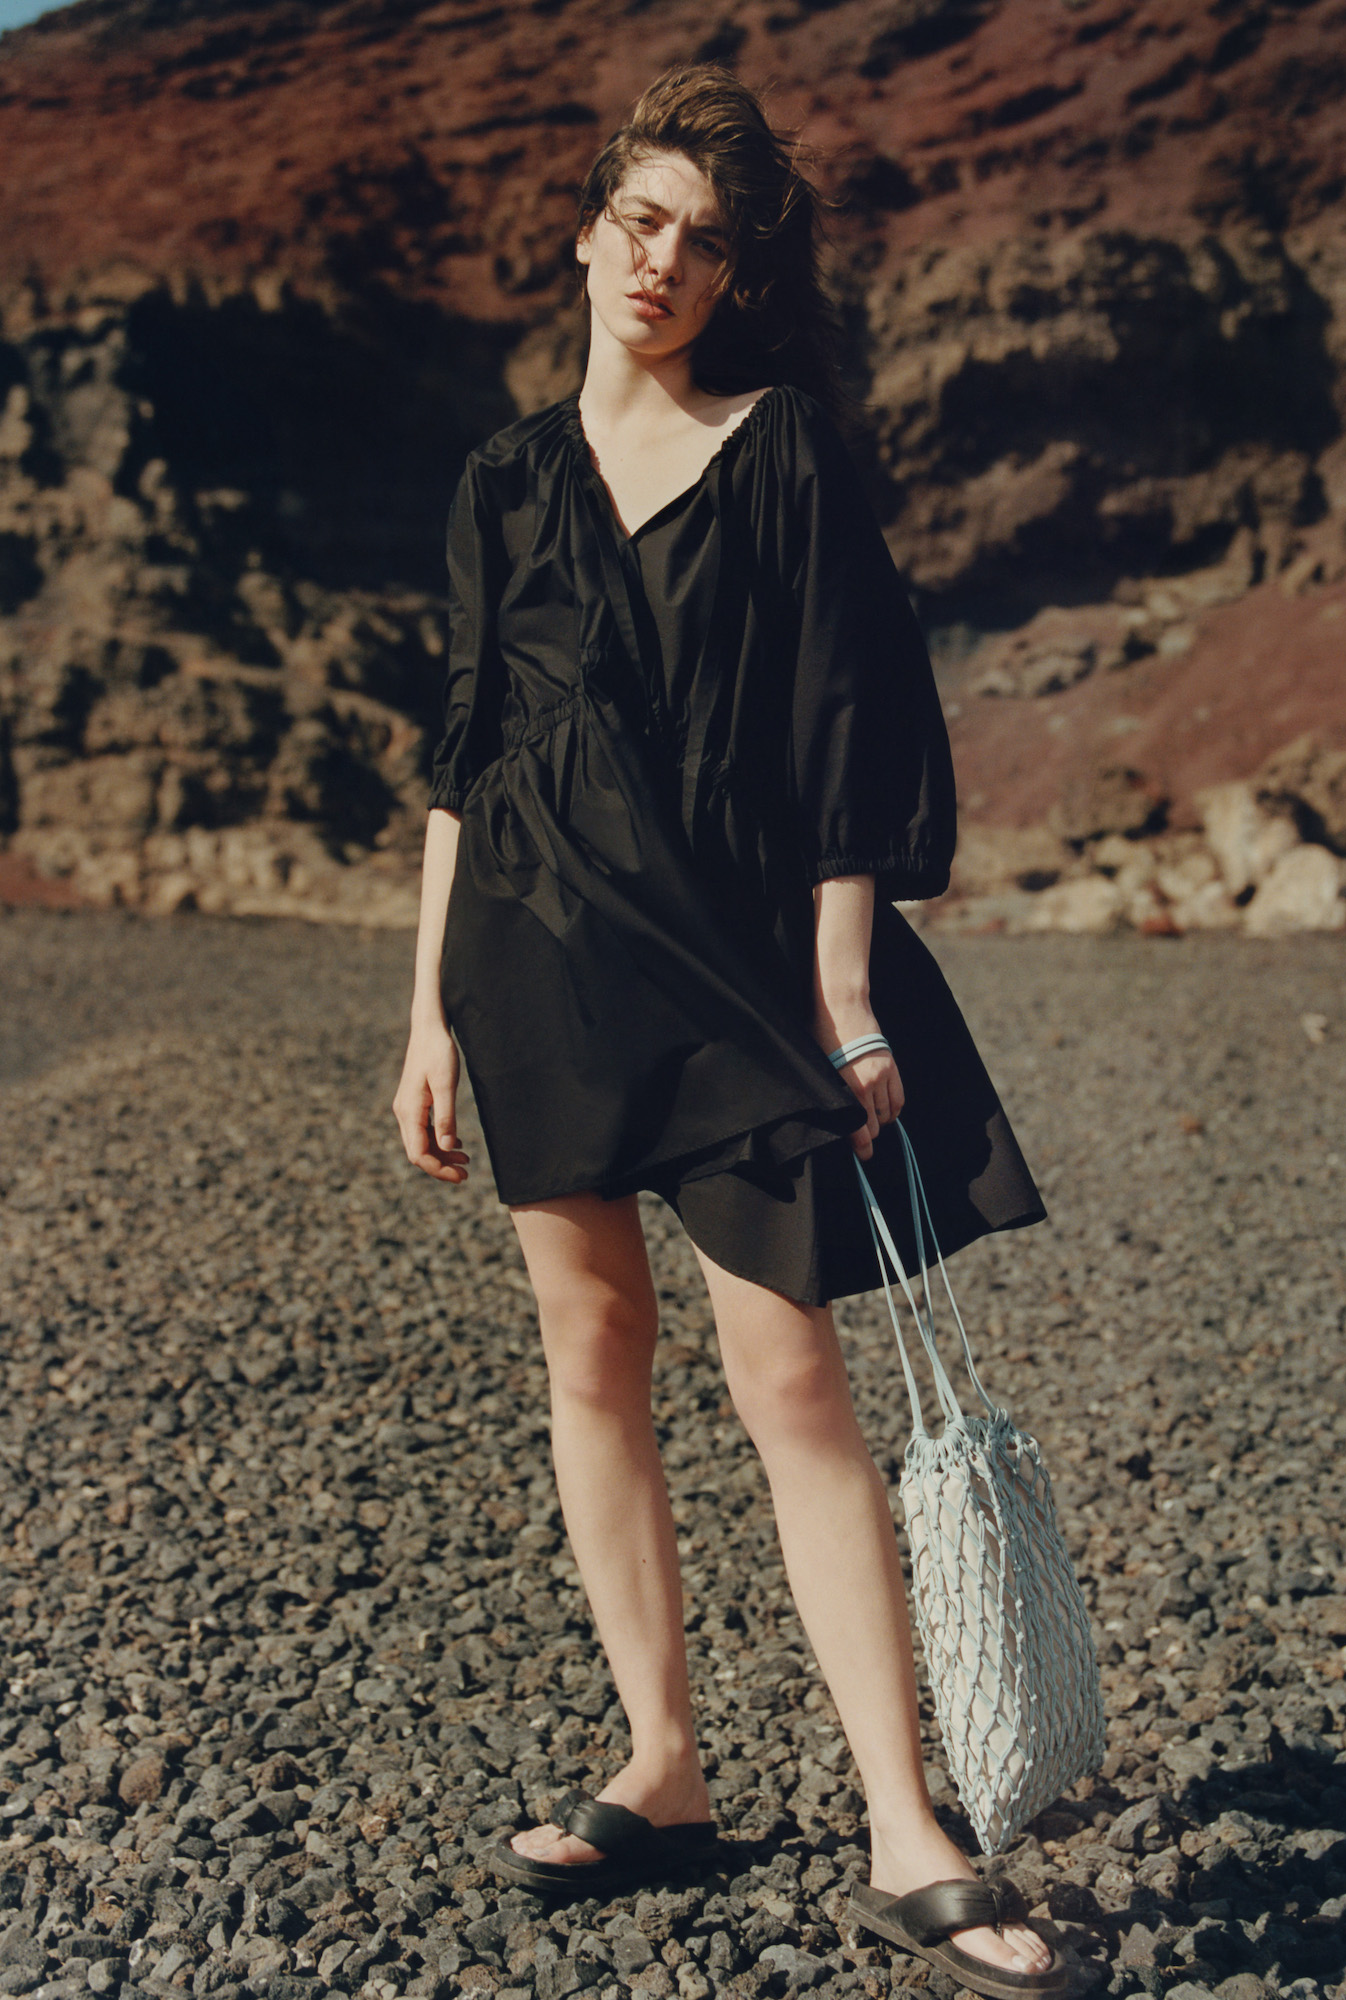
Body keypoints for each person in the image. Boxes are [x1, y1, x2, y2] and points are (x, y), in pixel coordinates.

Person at [393, 65, 1062, 1998]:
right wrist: (424, 1013)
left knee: (789, 1383)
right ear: (586, 226)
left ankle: (906, 1828)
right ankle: (662, 1766)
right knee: (591, 1351)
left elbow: (850, 731)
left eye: (700, 241)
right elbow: (466, 754)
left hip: (744, 970)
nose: (660, 262)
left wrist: (846, 997)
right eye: (639, 219)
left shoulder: (780, 455)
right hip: (536, 964)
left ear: (733, 277)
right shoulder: (504, 480)